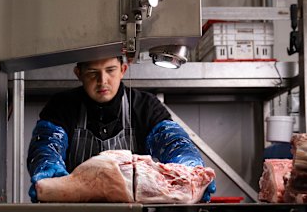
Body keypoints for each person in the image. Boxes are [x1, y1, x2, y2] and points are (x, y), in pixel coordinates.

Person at [26, 55, 216, 202]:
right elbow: (46, 145)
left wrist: (189, 170)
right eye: (93, 72)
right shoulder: (62, 105)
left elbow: (173, 141)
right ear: (79, 73)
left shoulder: (145, 106)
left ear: (123, 69)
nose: (102, 80)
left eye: (110, 70)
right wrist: (48, 170)